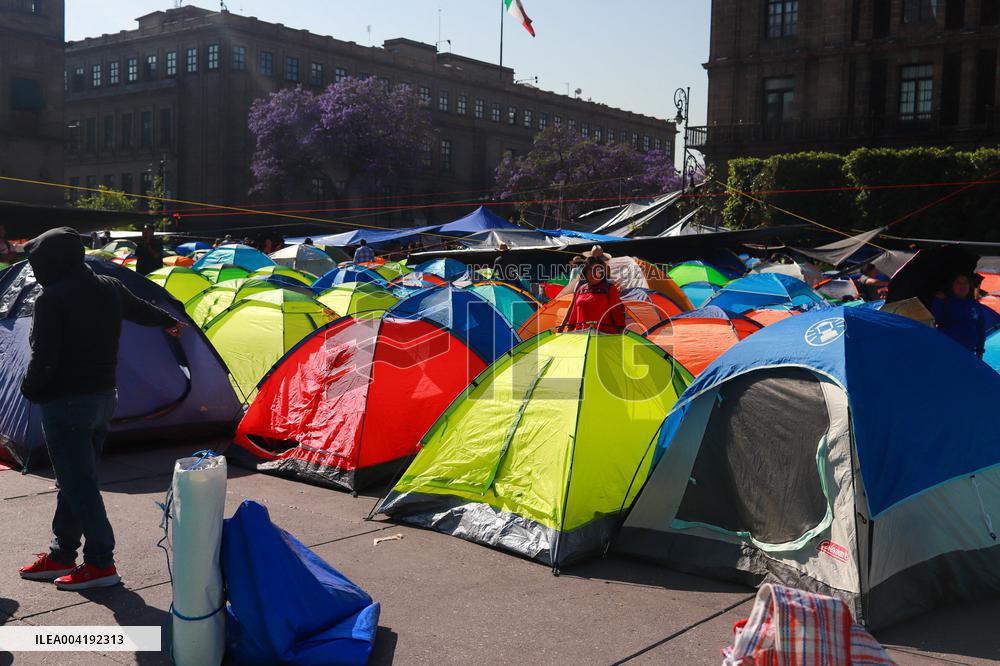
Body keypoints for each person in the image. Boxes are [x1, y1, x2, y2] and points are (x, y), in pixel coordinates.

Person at [17, 228, 185, 591]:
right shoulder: (108, 286)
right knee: (75, 480)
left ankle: (100, 563)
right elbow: (142, 309)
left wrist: (29, 389)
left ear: (51, 262)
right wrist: (169, 321)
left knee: (79, 484)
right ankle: (62, 553)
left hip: (66, 403)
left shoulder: (52, 299)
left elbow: (44, 359)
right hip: (103, 398)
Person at [561, 256, 627, 334]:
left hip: (604, 336)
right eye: (589, 270)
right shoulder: (581, 289)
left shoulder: (610, 288)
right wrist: (569, 329)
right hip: (581, 336)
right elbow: (574, 312)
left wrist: (621, 331)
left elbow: (617, 313)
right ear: (585, 272)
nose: (592, 273)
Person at [930, 273, 989, 358]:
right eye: (958, 282)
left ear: (969, 285)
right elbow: (936, 320)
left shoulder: (975, 304)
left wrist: (980, 351)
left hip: (969, 352)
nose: (962, 286)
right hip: (948, 350)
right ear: (952, 286)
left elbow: (981, 328)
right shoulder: (945, 302)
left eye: (965, 282)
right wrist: (938, 302)